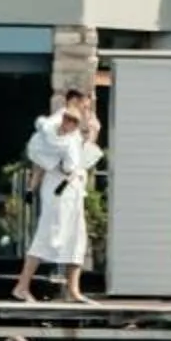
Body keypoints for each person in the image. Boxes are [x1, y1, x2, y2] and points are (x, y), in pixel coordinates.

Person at [14, 88, 102, 304]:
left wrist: (91, 135)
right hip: (57, 187)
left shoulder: (79, 126)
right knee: (48, 233)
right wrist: (31, 187)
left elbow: (83, 157)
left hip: (74, 187)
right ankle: (22, 286)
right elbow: (41, 159)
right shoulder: (54, 125)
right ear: (73, 101)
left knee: (77, 235)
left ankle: (73, 289)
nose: (87, 109)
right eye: (84, 104)